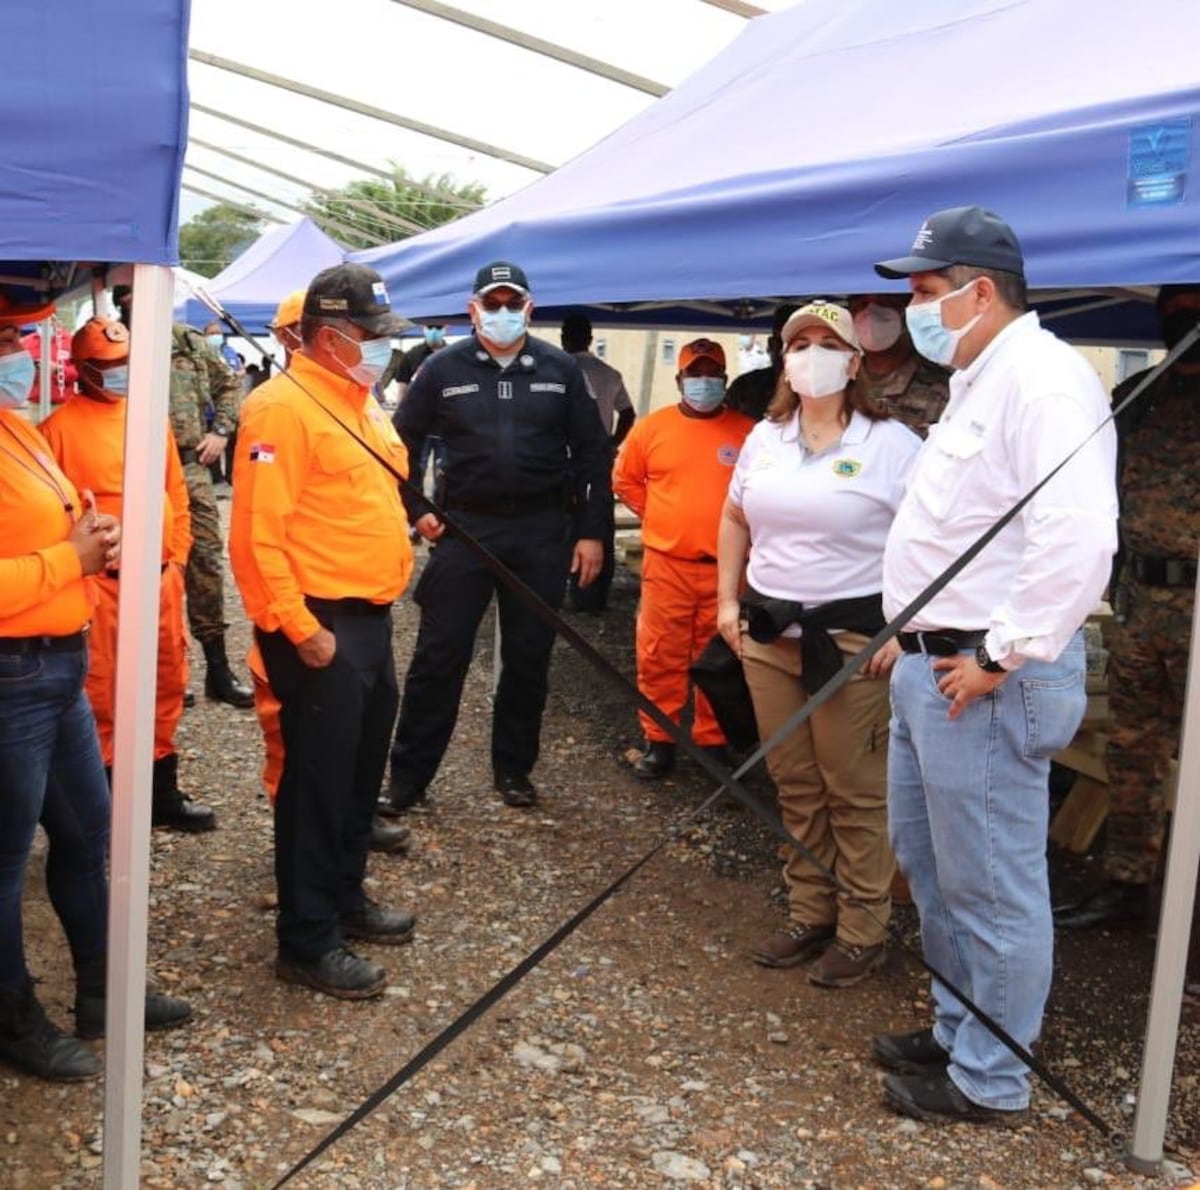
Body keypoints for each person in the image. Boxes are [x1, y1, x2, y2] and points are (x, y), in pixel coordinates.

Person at [871, 207, 1118, 1123]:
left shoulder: (1045, 381)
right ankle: (957, 1031)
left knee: (994, 885)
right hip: (932, 662)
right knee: (936, 873)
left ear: (980, 290)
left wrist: (997, 656)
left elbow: (1080, 538)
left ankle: (993, 1078)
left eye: (927, 291)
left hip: (980, 676)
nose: (914, 308)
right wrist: (913, 627)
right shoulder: (982, 376)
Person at [0, 292, 190, 1081]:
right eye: (10, 335)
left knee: (90, 833)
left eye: (19, 334)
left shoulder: (13, 426)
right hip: (12, 677)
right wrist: (68, 560)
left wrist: (95, 533)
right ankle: (12, 1017)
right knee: (5, 862)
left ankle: (104, 990)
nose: (19, 349)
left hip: (58, 663)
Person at [716, 303, 920, 985]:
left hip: (854, 639)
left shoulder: (893, 445)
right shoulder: (765, 438)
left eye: (826, 344)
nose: (810, 354)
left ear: (853, 361)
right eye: (797, 343)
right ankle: (812, 911)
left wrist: (905, 626)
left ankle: (864, 928)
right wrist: (726, 601)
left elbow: (928, 543)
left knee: (853, 789)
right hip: (771, 634)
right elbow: (734, 515)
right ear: (782, 359)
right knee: (794, 781)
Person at [230, 264, 417, 999]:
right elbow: (255, 535)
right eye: (373, 337)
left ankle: (344, 896)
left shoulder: (361, 402)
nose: (382, 350)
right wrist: (299, 629)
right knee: (315, 787)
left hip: (369, 619)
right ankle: (306, 940)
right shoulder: (282, 408)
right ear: (334, 337)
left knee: (358, 775)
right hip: (321, 624)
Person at [379, 261, 611, 813]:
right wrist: (416, 508)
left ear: (530, 309)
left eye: (514, 304)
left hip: (540, 532)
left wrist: (592, 533)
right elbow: (397, 444)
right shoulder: (442, 368)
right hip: (464, 529)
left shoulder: (558, 368)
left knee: (529, 659)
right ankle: (408, 780)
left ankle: (514, 770)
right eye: (493, 303)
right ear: (473, 309)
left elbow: (593, 454)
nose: (503, 313)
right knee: (439, 657)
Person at [1054, 283, 1200, 930]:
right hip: (1141, 600)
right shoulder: (1139, 397)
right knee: (1133, 747)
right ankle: (1127, 886)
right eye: (1175, 310)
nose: (1183, 322)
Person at [40, 317, 215, 832]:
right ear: (84, 370)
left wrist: (177, 557)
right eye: (109, 366)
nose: (121, 373)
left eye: (126, 364)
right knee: (103, 695)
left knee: (167, 681)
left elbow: (175, 492)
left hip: (160, 580)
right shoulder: (57, 431)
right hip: (103, 589)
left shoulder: (149, 418)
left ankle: (161, 793)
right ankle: (108, 810)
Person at [615, 338, 752, 779]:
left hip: (728, 570)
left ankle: (714, 741)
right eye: (695, 373)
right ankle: (660, 739)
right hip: (667, 565)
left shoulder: (748, 432)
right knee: (659, 654)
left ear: (725, 380)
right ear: (679, 380)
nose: (703, 381)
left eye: (712, 373)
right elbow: (626, 480)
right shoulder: (651, 428)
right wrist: (662, 517)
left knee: (721, 657)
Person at [113, 286, 254, 709]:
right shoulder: (110, 340)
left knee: (206, 563)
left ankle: (218, 670)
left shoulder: (187, 341)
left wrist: (221, 431)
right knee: (147, 569)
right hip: (136, 472)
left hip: (190, 468)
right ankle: (160, 671)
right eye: (131, 293)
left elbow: (230, 384)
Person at [562, 310, 636, 613]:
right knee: (598, 524)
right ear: (590, 339)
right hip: (598, 457)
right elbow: (628, 413)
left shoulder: (557, 369)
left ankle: (561, 587)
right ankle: (592, 596)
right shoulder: (609, 373)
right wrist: (612, 443)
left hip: (563, 458)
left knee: (563, 523)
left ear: (564, 338)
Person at [846, 293, 949, 436]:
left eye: (885, 303)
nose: (870, 313)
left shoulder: (943, 390)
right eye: (861, 304)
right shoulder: (840, 379)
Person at [723, 303, 799, 421]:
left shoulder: (827, 389)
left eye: (799, 346)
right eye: (782, 344)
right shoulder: (745, 388)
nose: (787, 352)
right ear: (771, 345)